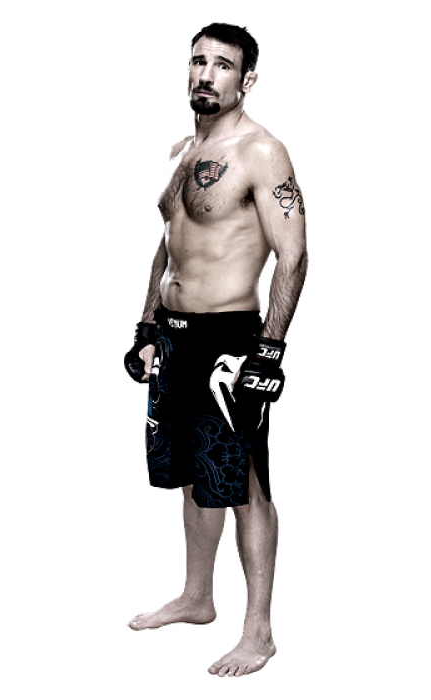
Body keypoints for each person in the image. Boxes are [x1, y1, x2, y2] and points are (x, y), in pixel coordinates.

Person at [124, 23, 308, 678]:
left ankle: (259, 632)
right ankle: (198, 598)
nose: (205, 74)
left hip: (230, 341)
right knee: (190, 474)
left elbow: (293, 254)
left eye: (222, 65)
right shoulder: (178, 151)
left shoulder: (263, 152)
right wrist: (147, 327)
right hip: (175, 336)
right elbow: (168, 246)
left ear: (247, 80)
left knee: (246, 483)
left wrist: (269, 352)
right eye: (197, 61)